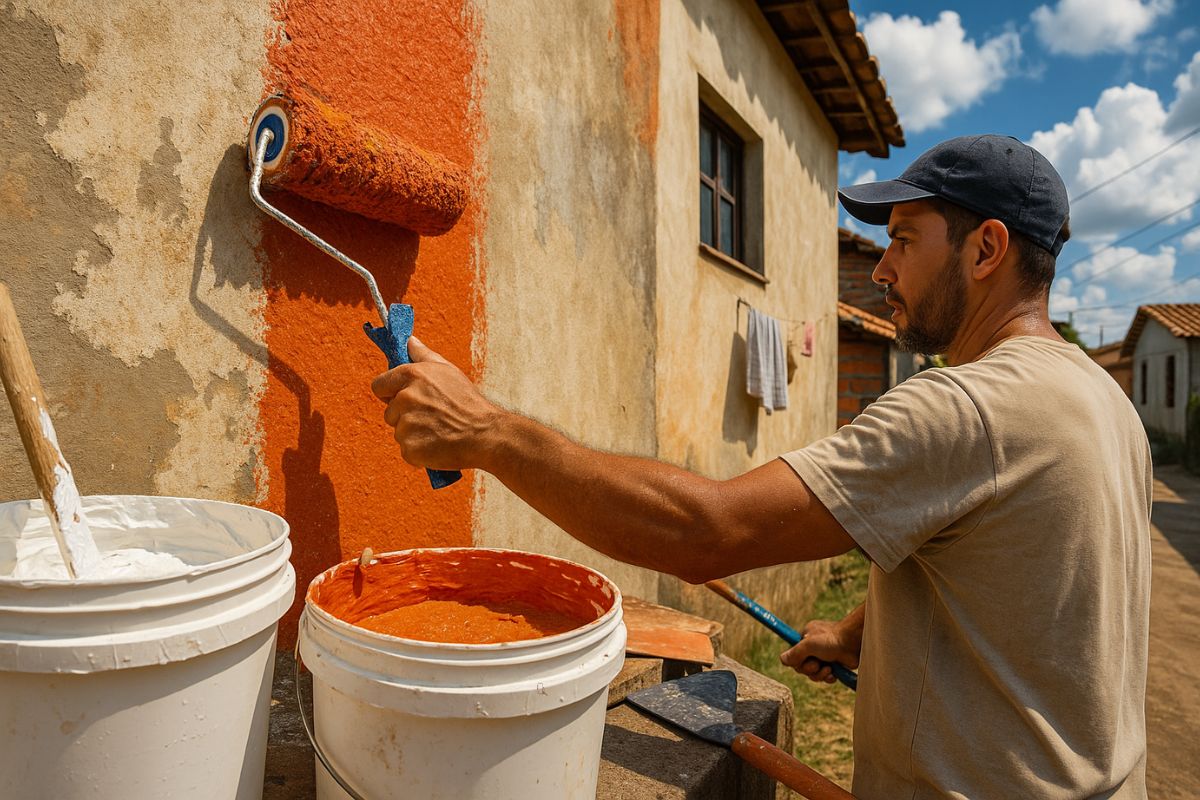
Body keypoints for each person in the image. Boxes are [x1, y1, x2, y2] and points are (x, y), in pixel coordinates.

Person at [371, 134, 1151, 799]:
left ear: (986, 249)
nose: (882, 272)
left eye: (906, 241)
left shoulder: (965, 408)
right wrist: (854, 631)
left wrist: (491, 433)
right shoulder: (1103, 400)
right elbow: (1025, 572)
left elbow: (706, 531)